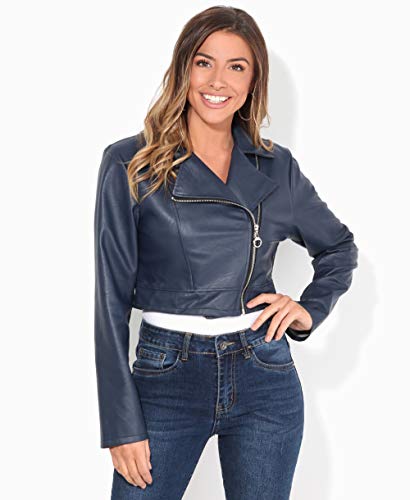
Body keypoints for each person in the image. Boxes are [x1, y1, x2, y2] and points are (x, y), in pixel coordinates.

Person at [93, 6, 359, 500]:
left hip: (264, 373)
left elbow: (339, 246)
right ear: (183, 69)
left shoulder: (276, 166)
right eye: (204, 62)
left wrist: (308, 309)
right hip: (165, 374)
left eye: (237, 66)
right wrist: (120, 421)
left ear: (253, 80)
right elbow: (109, 300)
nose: (218, 81)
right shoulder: (130, 162)